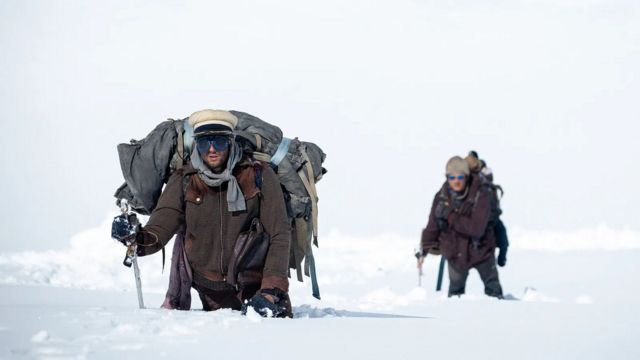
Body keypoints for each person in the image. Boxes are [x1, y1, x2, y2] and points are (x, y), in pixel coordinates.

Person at [112, 109, 293, 316]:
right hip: (210, 293)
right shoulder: (184, 179)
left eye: (220, 141)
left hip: (259, 289)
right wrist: (134, 238)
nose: (212, 149)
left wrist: (271, 290)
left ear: (231, 141)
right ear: (197, 144)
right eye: (205, 142)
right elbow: (160, 227)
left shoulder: (259, 174)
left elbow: (279, 233)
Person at [418, 156, 503, 298]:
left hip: (481, 251)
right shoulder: (441, 197)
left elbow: (476, 229)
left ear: (467, 176)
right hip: (455, 253)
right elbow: (432, 226)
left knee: (494, 292)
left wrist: (450, 216)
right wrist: (423, 250)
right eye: (451, 177)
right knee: (455, 295)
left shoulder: (481, 194)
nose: (456, 181)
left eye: (460, 177)